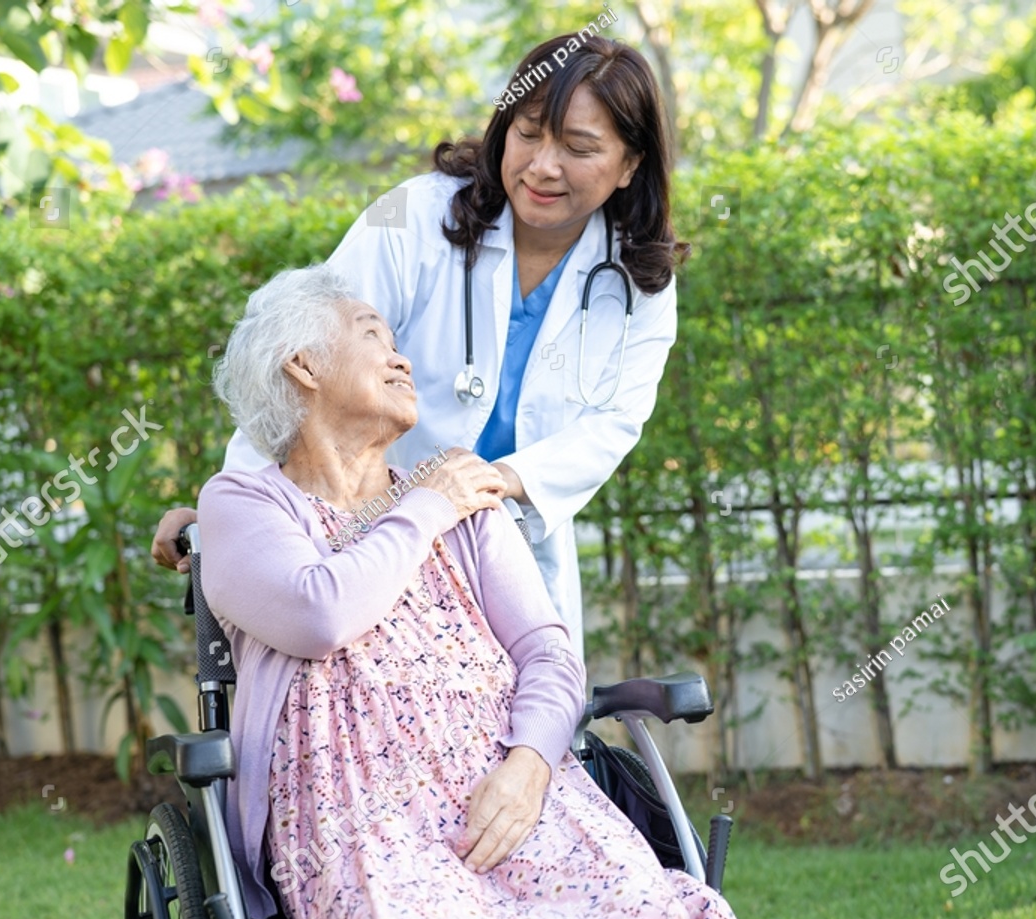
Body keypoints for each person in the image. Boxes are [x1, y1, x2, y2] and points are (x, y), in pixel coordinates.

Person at [199, 264, 753, 919]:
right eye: (372, 336)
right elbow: (320, 613)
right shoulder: (244, 502)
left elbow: (548, 654)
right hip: (361, 824)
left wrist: (530, 764)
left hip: (517, 793)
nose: (400, 357)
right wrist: (429, 502)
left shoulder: (466, 501)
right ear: (303, 365)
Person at [155, 31, 686, 663]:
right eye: (528, 132)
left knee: (526, 710)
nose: (543, 165)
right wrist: (236, 508)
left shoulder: (638, 280)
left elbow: (613, 423)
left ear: (630, 164)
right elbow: (307, 358)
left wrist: (490, 481)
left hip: (505, 549)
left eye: (578, 148)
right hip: (366, 536)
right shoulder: (416, 217)